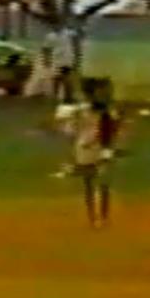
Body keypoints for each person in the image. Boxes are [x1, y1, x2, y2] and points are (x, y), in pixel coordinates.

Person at [58, 78, 121, 229]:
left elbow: (113, 129)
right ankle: (93, 217)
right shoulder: (82, 111)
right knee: (89, 183)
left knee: (104, 183)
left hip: (101, 148)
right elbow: (71, 129)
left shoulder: (107, 111)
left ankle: (104, 216)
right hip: (85, 150)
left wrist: (108, 144)